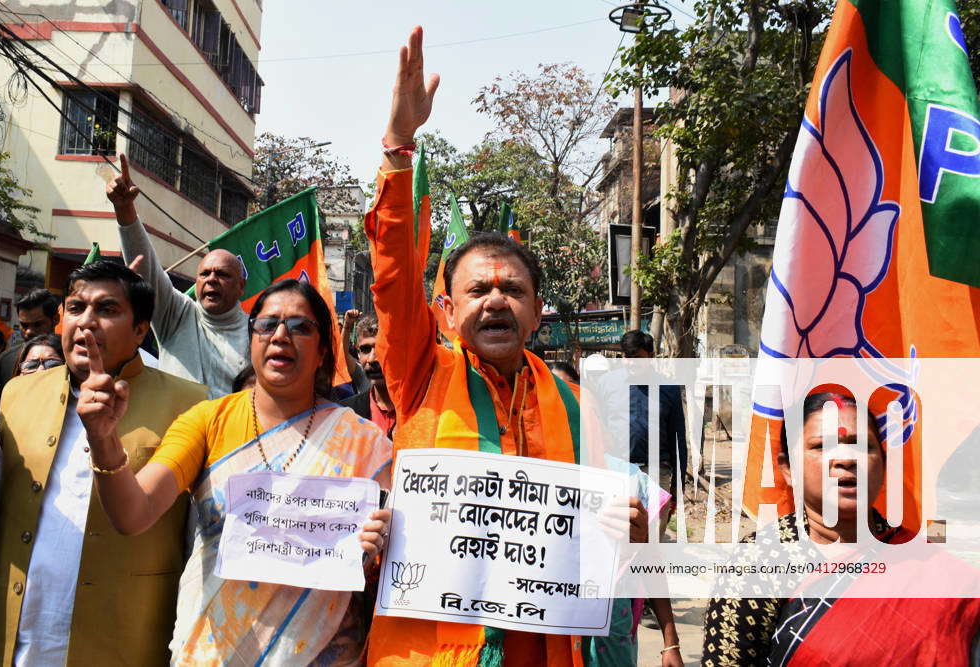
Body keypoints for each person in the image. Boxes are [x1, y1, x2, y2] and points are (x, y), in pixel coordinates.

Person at [364, 27, 650, 666]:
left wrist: (632, 530)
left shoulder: (577, 405)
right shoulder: (419, 372)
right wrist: (398, 147)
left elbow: (611, 535)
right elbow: (391, 275)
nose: (495, 301)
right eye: (479, 290)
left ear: (537, 312)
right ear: (448, 309)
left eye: (513, 290)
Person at [79, 278, 393, 664]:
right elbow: (133, 513)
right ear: (251, 339)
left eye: (300, 327)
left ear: (323, 350)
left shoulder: (362, 440)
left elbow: (391, 561)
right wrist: (104, 440)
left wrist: (378, 542)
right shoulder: (208, 420)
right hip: (213, 651)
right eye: (266, 324)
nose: (280, 335)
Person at [0, 260, 207, 665]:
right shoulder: (18, 393)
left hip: (127, 638)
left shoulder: (189, 404)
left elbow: (198, 539)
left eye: (107, 310)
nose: (86, 323)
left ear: (141, 329)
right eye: (76, 308)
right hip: (18, 638)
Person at [700, 392, 980, 665]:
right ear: (788, 469)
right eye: (822, 446)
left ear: (883, 465)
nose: (846, 460)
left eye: (861, 446)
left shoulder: (923, 562)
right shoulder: (758, 563)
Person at [106, 154, 249, 398]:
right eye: (204, 274)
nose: (211, 279)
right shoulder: (176, 315)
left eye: (222, 274)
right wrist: (124, 208)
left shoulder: (257, 332)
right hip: (175, 434)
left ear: (241, 287)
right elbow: (148, 267)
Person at [621, 330, 686, 535]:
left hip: (657, 474)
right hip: (620, 472)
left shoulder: (669, 389)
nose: (632, 363)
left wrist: (678, 487)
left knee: (653, 538)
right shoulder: (609, 386)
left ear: (650, 356)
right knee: (621, 538)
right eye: (627, 358)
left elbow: (678, 441)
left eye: (637, 358)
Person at [0, 289, 59, 424]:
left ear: (55, 320)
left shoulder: (71, 358)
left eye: (38, 324)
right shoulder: (6, 360)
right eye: (24, 325)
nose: (29, 331)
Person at [340, 314, 396, 438]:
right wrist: (347, 326)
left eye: (381, 348)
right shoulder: (346, 413)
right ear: (358, 354)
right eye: (365, 349)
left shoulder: (419, 411)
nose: (372, 359)